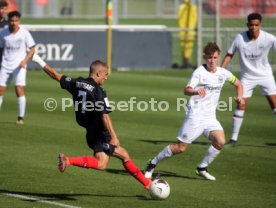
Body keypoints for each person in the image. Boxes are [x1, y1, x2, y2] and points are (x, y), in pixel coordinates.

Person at [32, 54, 158, 191]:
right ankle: (68, 160)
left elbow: (55, 75)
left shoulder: (76, 83)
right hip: (100, 132)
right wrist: (114, 137)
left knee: (123, 155)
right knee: (104, 163)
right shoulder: (99, 91)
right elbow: (104, 116)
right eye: (105, 74)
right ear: (98, 73)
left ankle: (147, 183)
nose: (106, 77)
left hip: (90, 131)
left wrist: (38, 60)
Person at [144, 42, 244, 181]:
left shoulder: (223, 73)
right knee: (181, 148)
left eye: (215, 58)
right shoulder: (199, 73)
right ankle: (152, 163)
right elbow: (186, 90)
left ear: (218, 57)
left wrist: (240, 97)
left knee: (220, 141)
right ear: (205, 57)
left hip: (210, 118)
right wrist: (196, 91)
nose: (212, 61)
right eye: (209, 57)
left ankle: (202, 167)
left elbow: (238, 84)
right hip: (195, 117)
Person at [221, 12, 276, 146]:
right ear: (247, 25)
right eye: (251, 25)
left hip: (265, 75)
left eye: (256, 25)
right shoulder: (239, 38)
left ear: (260, 25)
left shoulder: (269, 38)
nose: (253, 27)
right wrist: (221, 71)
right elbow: (229, 54)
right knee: (241, 104)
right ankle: (233, 139)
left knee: (274, 105)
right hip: (247, 77)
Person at [0, 11, 36, 124]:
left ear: (19, 21)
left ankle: (21, 117)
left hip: (19, 66)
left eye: (16, 20)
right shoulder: (3, 33)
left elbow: (32, 49)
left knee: (19, 89)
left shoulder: (24, 33)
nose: (14, 23)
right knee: (0, 90)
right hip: (5, 65)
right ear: (9, 21)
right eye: (12, 20)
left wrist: (24, 61)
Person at [178, 0, 197, 69]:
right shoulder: (191, 7)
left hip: (186, 30)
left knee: (187, 47)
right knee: (186, 47)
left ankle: (186, 62)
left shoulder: (192, 7)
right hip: (188, 30)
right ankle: (185, 62)